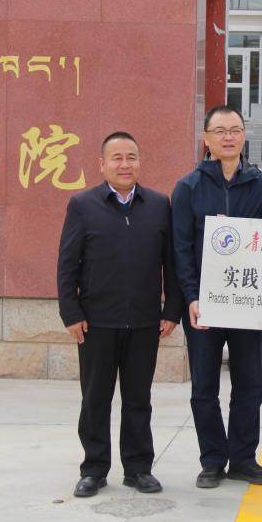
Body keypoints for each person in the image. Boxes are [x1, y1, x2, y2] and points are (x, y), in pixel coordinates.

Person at [56, 131, 183, 498]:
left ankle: (138, 468)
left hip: (145, 322)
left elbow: (171, 263)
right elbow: (67, 264)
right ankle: (94, 469)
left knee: (138, 399)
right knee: (95, 399)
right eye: (117, 158)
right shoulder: (83, 205)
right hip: (96, 322)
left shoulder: (158, 204)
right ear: (102, 164)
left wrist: (171, 310)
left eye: (131, 157)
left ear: (140, 162)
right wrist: (71, 312)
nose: (125, 164)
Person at [171, 106, 262, 489]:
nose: (228, 137)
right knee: (204, 387)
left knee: (249, 384)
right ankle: (213, 460)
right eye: (220, 130)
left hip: (246, 302)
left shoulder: (260, 186)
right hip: (204, 305)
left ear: (244, 135)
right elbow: (181, 249)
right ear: (206, 138)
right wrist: (191, 297)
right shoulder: (188, 187)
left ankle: (244, 459)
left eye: (235, 129)